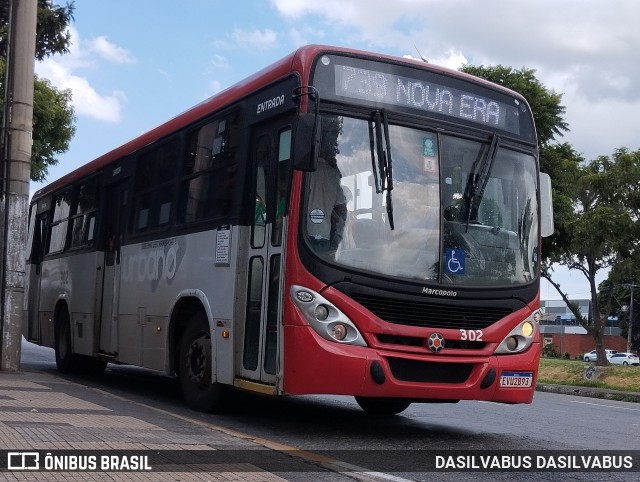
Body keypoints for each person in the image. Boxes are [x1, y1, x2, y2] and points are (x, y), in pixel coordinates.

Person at [307, 155, 347, 253]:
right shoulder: (334, 174)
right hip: (323, 233)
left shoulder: (306, 169)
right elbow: (341, 206)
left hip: (304, 231)